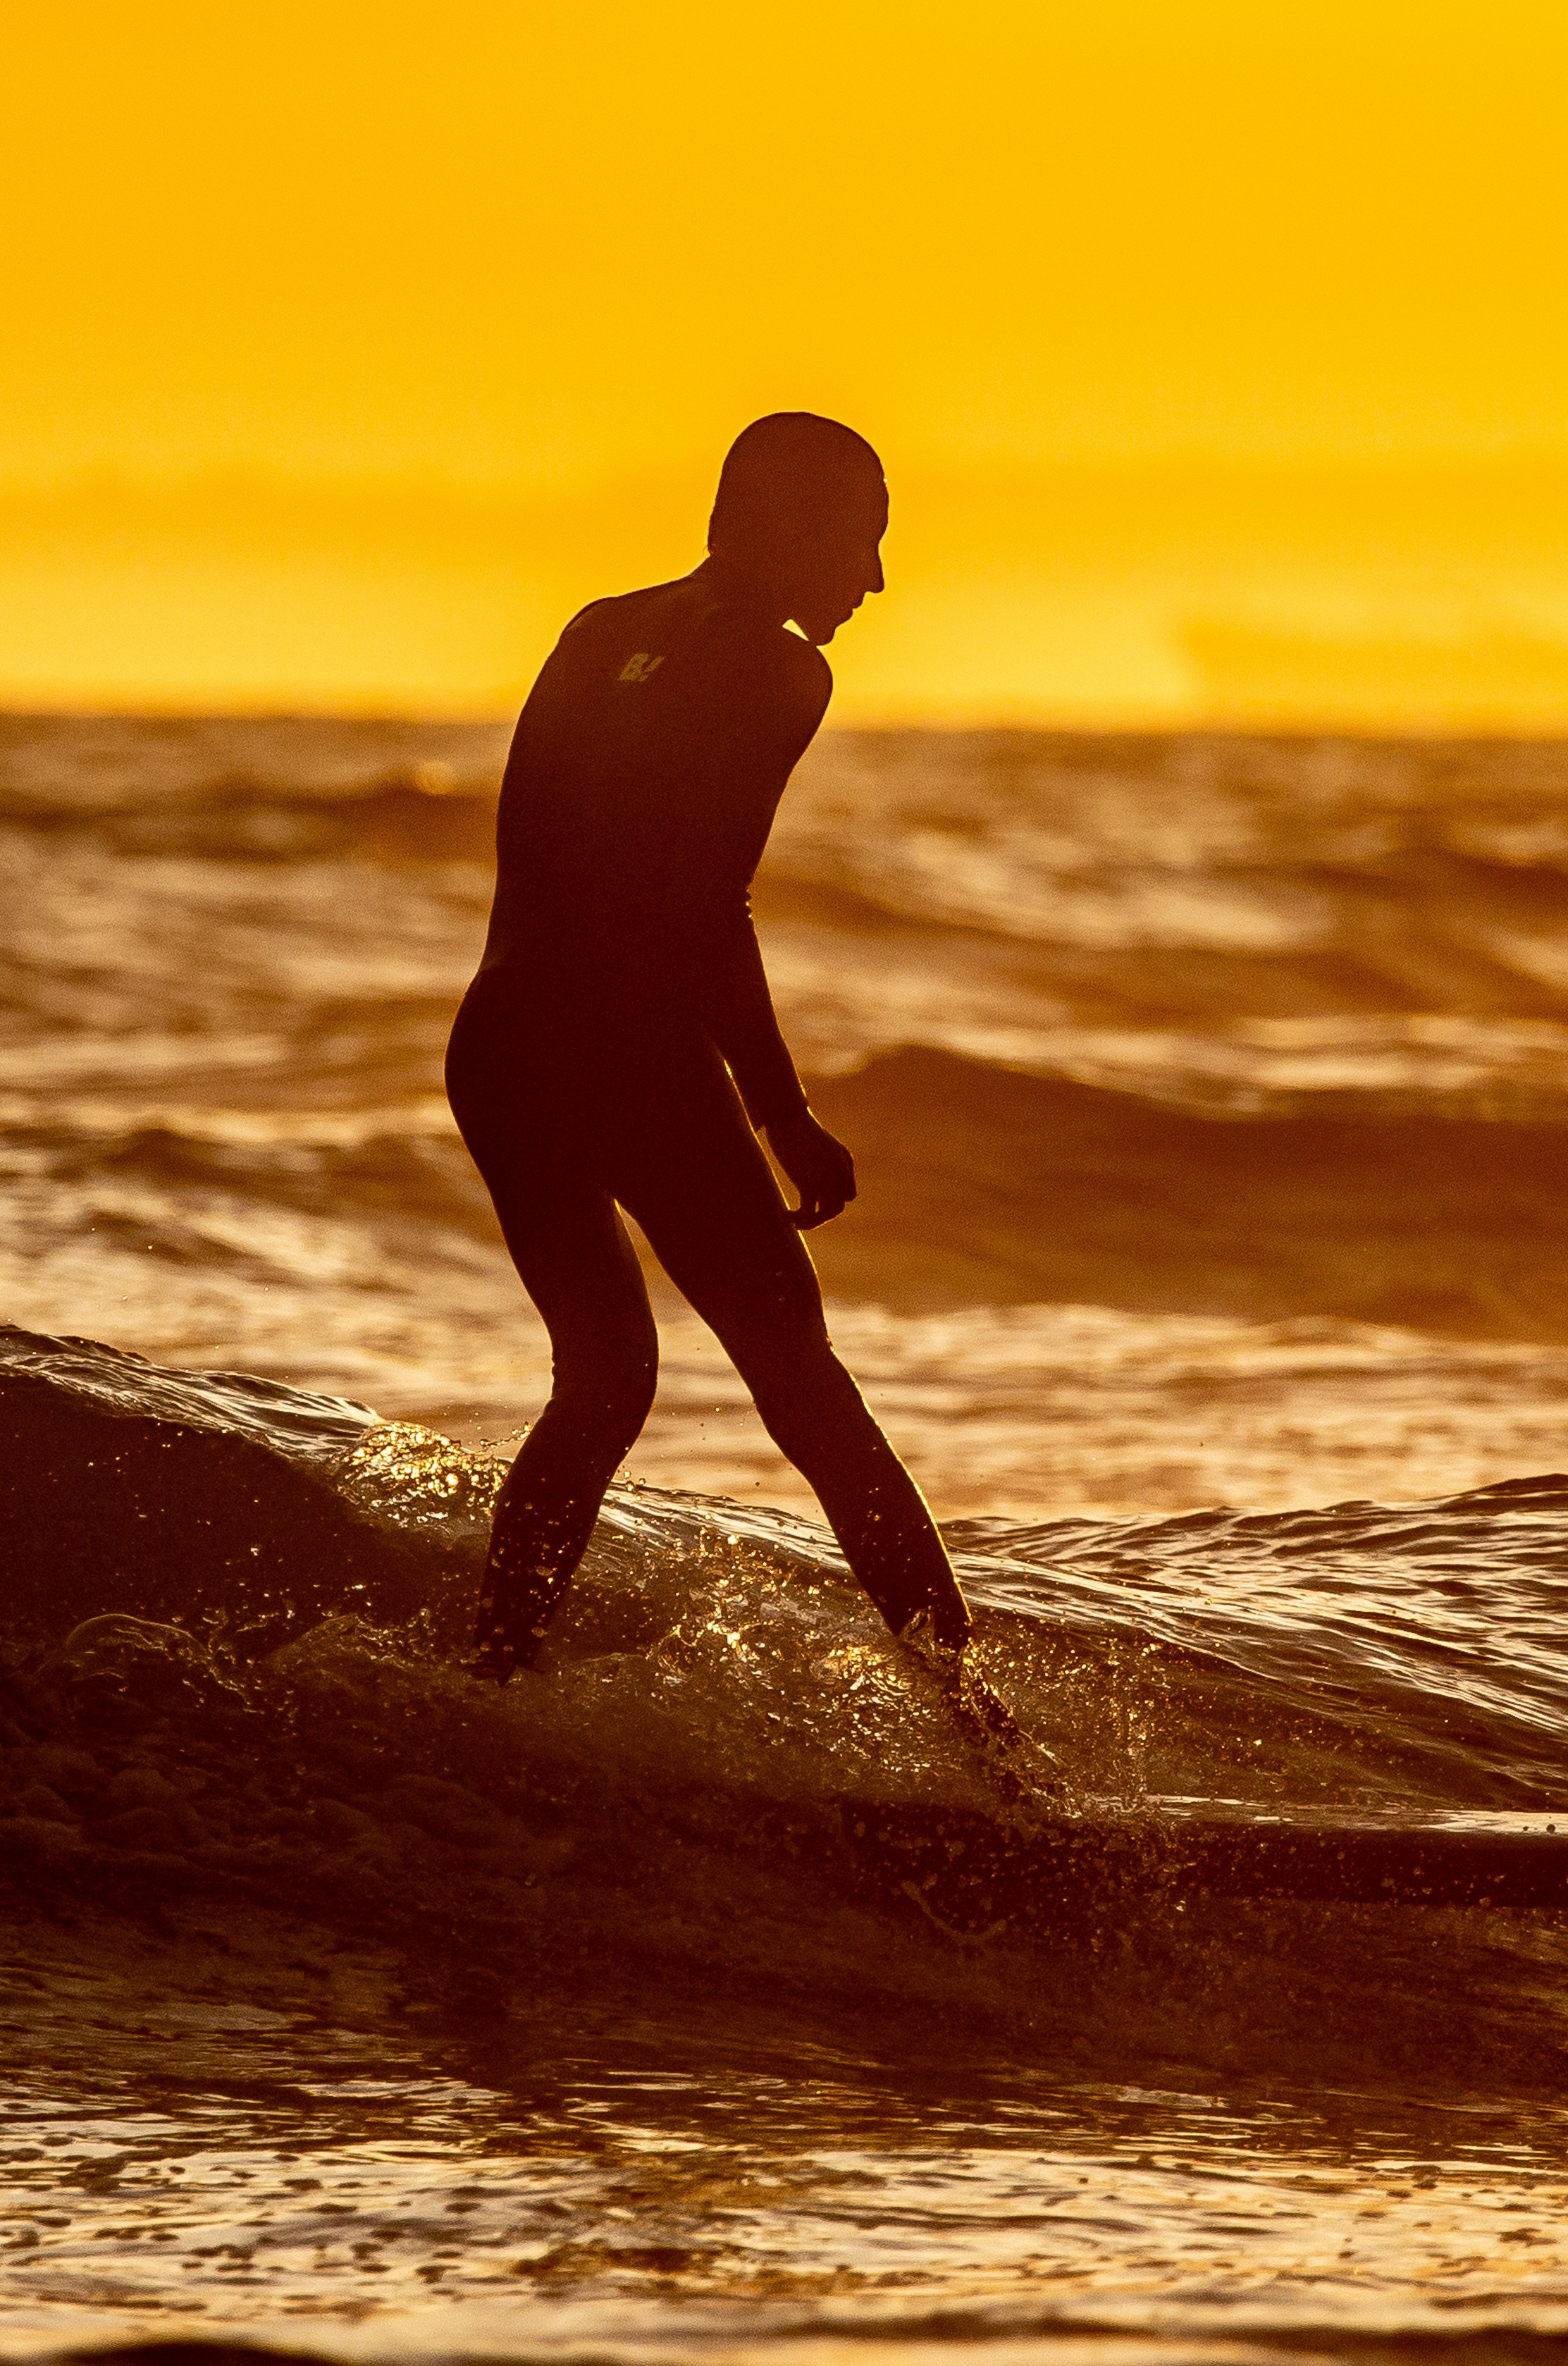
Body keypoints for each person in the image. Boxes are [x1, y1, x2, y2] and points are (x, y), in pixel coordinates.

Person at [446, 414, 1019, 1756]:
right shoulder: (777, 677)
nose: (875, 578)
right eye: (865, 536)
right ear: (787, 526)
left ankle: (488, 1689)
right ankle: (986, 1740)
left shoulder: (599, 625)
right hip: (623, 1050)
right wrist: (782, 1116)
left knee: (602, 1382)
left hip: (503, 1038)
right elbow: (709, 903)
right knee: (806, 1390)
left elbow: (537, 856)